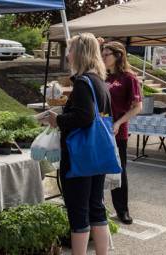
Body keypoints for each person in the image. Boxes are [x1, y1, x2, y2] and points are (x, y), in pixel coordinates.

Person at [47, 33, 111, 255]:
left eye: (70, 49)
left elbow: (84, 117)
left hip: (79, 157)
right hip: (97, 154)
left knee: (78, 212)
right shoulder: (100, 81)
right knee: (96, 209)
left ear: (80, 53)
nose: (67, 54)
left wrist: (59, 119)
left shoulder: (84, 83)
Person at [102, 41, 142, 225]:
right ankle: (98, 207)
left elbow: (137, 107)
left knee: (119, 171)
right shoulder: (101, 76)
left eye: (106, 54)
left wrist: (118, 122)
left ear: (118, 55)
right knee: (97, 169)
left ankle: (122, 210)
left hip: (117, 132)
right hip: (99, 130)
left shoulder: (129, 78)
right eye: (102, 54)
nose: (102, 57)